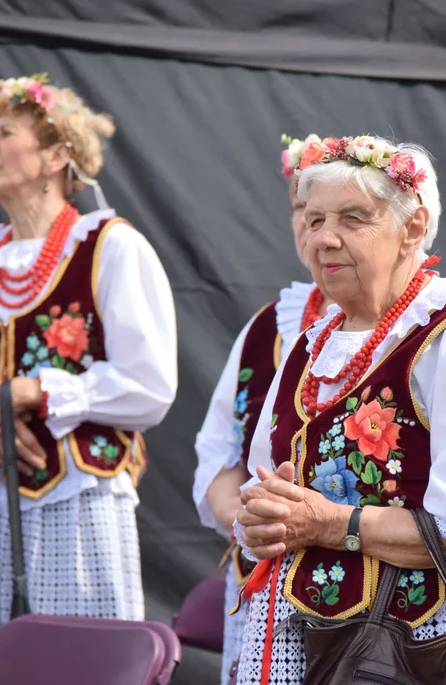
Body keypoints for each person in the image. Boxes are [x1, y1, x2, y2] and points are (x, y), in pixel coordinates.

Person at [231, 135, 446, 685]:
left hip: (417, 644)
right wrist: (260, 519)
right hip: (298, 634)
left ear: (412, 227)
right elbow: (261, 484)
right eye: (314, 219)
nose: (325, 238)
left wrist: (328, 523)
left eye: (352, 218)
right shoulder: (310, 344)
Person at [0, 74, 178, 645]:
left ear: (57, 155)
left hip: (71, 502)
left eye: (4, 133)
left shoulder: (112, 246)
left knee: (68, 658)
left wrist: (35, 392)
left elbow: (149, 382)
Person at [192, 133, 331, 684]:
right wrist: (249, 521)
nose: (311, 226)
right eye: (303, 209)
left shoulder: (412, 327)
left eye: (327, 212)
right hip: (262, 566)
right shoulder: (267, 325)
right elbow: (216, 451)